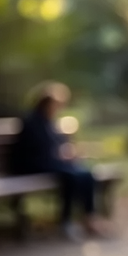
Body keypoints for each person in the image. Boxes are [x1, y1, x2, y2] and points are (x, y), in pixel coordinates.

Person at [10, 81, 111, 240]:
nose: (58, 108)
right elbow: (36, 150)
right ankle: (66, 222)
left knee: (86, 174)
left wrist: (68, 153)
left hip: (49, 163)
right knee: (70, 176)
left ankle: (90, 217)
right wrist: (58, 154)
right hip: (32, 165)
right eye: (56, 105)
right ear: (45, 103)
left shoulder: (50, 122)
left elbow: (59, 145)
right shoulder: (31, 122)